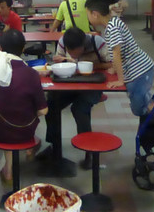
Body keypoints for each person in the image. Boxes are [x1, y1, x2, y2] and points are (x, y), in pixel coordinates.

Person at [0, 29, 47, 184]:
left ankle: (8, 169)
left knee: (5, 118)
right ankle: (28, 149)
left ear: (0, 48)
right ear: (23, 48)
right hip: (24, 132)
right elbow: (43, 110)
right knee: (21, 117)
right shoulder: (31, 74)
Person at [44, 27, 111, 169]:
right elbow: (59, 65)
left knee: (79, 109)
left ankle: (88, 153)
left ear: (83, 45)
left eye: (76, 51)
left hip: (93, 84)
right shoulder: (63, 42)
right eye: (70, 51)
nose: (73, 55)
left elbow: (112, 63)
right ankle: (54, 147)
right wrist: (59, 62)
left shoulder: (97, 43)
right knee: (51, 105)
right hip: (70, 83)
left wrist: (89, 65)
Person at [85, 0, 154, 116]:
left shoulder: (112, 28)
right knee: (142, 106)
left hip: (139, 72)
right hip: (137, 71)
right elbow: (120, 52)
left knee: (142, 109)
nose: (88, 18)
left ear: (95, 14)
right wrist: (114, 68)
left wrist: (120, 80)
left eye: (88, 14)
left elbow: (116, 54)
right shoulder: (112, 23)